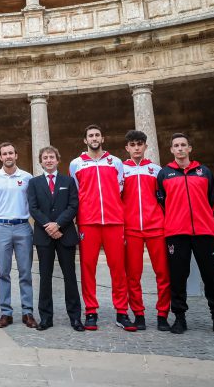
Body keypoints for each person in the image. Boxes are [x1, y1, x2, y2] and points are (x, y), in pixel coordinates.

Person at [157, 133, 214, 337]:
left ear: (190, 148)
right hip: (176, 232)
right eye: (176, 145)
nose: (180, 148)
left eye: (184, 145)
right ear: (172, 150)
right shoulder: (164, 174)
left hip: (203, 232)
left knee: (211, 276)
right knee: (178, 277)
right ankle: (179, 318)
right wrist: (175, 219)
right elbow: (161, 202)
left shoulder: (205, 172)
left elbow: (213, 200)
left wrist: (204, 219)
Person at [69, 125, 136, 331]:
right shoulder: (76, 164)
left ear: (103, 139)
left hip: (114, 221)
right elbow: (76, 192)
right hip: (88, 222)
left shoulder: (115, 162)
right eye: (91, 135)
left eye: (97, 135)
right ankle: (91, 311)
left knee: (118, 268)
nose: (94, 138)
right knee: (88, 268)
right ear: (85, 140)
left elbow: (120, 189)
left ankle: (122, 312)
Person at [27, 146, 83, 332]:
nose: (49, 160)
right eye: (45, 157)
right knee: (45, 277)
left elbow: (73, 205)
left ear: (58, 160)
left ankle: (75, 317)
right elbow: (33, 208)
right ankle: (46, 317)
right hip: (44, 236)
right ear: (40, 161)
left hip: (65, 234)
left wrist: (57, 224)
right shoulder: (34, 183)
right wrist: (49, 226)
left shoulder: (68, 181)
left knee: (70, 277)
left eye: (52, 157)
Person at [122, 130, 171, 331]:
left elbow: (165, 198)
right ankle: (139, 314)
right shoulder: (121, 169)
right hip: (131, 228)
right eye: (132, 144)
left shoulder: (156, 170)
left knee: (163, 273)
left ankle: (162, 315)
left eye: (139, 144)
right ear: (127, 148)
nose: (136, 148)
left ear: (145, 146)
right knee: (133, 275)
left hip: (156, 227)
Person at [0, 142, 35, 329]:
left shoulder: (27, 177)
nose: (8, 156)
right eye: (4, 153)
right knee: (3, 272)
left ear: (16, 155)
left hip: (23, 226)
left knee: (25, 272)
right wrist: (3, 216)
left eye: (11, 153)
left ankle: (27, 312)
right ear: (0, 157)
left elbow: (32, 201)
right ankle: (6, 312)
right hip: (2, 227)